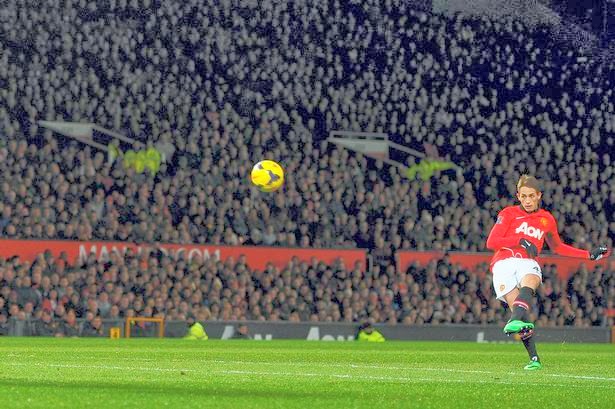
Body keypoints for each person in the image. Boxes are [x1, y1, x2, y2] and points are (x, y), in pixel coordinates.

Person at [486, 175, 608, 370]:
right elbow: (491, 243)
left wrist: (588, 255)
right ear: (518, 196)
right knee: (521, 314)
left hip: (526, 262)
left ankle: (513, 321)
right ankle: (534, 359)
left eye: (531, 196)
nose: (527, 200)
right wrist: (520, 240)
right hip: (503, 263)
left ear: (538, 196)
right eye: (523, 196)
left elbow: (558, 247)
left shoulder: (546, 219)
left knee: (532, 278)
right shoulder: (508, 214)